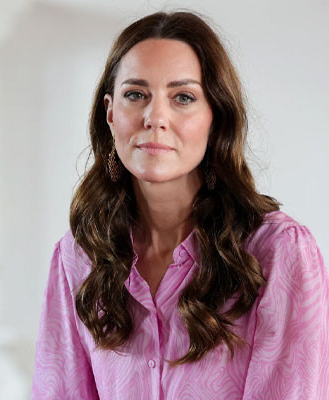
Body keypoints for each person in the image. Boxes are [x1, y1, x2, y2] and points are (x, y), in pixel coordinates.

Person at [32, 11, 329, 399]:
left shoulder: (279, 252)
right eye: (136, 95)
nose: (155, 117)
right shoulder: (78, 257)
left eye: (183, 97)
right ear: (110, 113)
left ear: (215, 118)